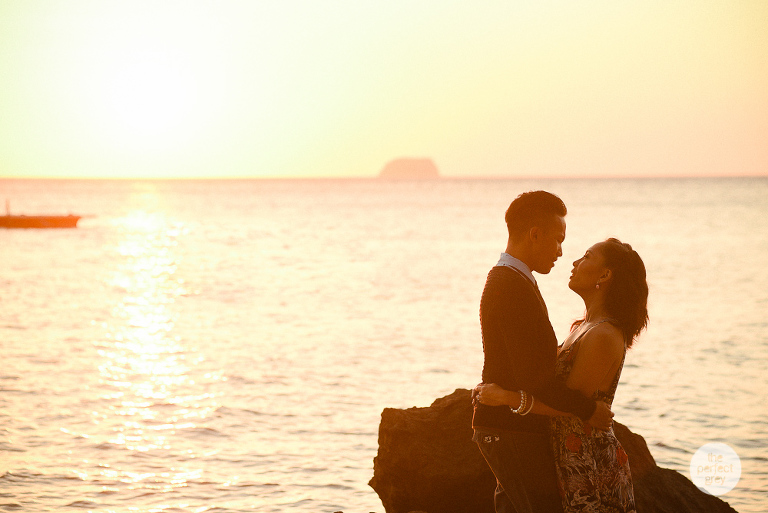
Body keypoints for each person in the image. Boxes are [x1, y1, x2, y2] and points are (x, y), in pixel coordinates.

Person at [476, 238, 648, 512]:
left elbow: (569, 406)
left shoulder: (603, 335)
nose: (575, 262)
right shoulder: (583, 327)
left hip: (588, 462)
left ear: (605, 275)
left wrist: (508, 398)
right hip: (566, 454)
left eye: (587, 257)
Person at [471, 191, 614, 513]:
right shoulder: (510, 285)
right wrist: (587, 408)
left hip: (507, 428)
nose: (562, 252)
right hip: (510, 431)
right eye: (558, 240)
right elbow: (534, 378)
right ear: (535, 234)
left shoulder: (515, 280)